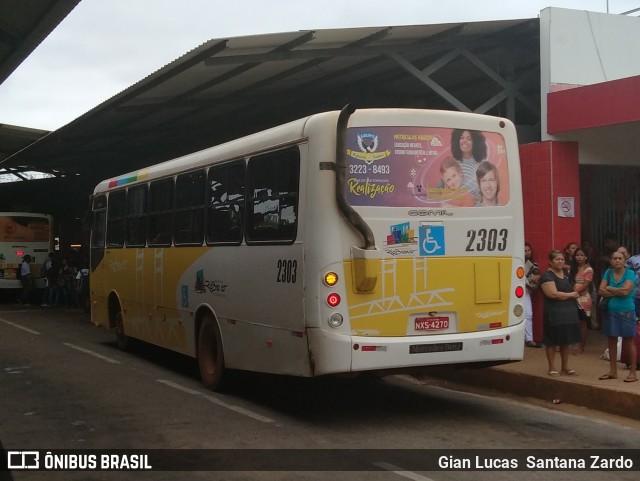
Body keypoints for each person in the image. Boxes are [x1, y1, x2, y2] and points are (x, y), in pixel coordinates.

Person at [539, 250, 581, 376]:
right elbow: (553, 294)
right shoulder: (547, 276)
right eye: (557, 259)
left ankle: (565, 367)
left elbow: (574, 288)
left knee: (565, 341)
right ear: (550, 262)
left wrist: (573, 293)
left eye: (562, 259)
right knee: (551, 341)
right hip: (554, 314)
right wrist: (571, 295)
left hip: (568, 314)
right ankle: (552, 367)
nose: (560, 261)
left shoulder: (567, 274)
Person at [598, 250, 637, 382]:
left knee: (629, 341)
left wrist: (610, 288)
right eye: (614, 258)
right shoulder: (608, 273)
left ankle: (633, 373)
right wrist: (617, 291)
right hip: (611, 311)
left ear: (625, 260)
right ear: (611, 261)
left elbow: (626, 291)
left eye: (620, 258)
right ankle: (613, 371)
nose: (617, 261)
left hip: (627, 312)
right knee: (612, 341)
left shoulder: (630, 273)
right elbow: (600, 290)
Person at [448, 129, 488, 202]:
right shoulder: (452, 164)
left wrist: (480, 198)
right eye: (461, 138)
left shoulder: (482, 164)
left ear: (476, 142)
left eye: (469, 139)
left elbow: (488, 188)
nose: (464, 141)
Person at [570, 247, 593, 354]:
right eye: (577, 255)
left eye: (581, 255)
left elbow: (586, 285)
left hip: (583, 299)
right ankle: (573, 343)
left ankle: (581, 346)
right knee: (574, 322)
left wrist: (574, 293)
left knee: (583, 322)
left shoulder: (588, 270)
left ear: (586, 257)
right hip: (572, 297)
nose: (579, 257)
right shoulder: (572, 269)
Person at [524, 242, 542, 348]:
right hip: (513, 291)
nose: (527, 253)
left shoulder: (533, 264)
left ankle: (529, 339)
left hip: (526, 291)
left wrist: (529, 279)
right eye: (525, 251)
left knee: (528, 315)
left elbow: (536, 279)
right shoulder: (516, 262)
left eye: (528, 250)